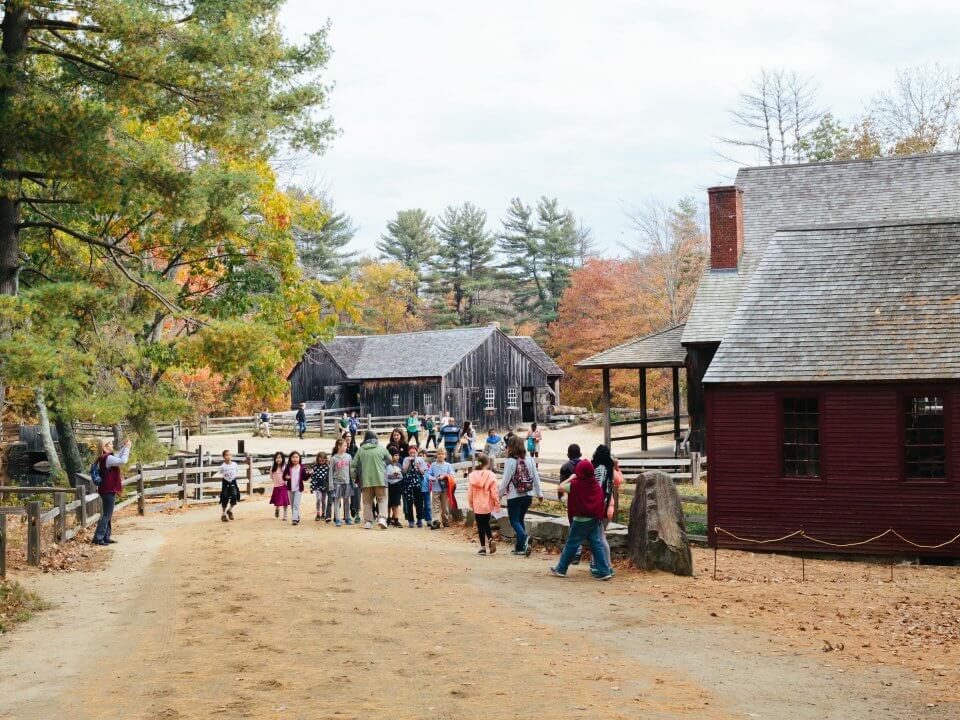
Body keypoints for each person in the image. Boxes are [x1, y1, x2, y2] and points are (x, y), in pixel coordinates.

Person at [550, 459, 613, 580]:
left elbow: (560, 488)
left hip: (580, 520)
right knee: (596, 544)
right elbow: (600, 501)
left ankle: (561, 569)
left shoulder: (575, 484)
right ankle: (605, 571)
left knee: (571, 544)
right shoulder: (595, 484)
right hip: (594, 519)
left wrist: (571, 478)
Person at [498, 435, 543, 556]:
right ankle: (520, 547)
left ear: (511, 447)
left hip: (515, 495)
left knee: (514, 521)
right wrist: (539, 493)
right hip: (528, 495)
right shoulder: (529, 459)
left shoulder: (510, 461)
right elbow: (536, 477)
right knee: (520, 519)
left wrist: (499, 495)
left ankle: (524, 537)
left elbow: (505, 480)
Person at [92, 437, 131, 545]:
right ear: (105, 446)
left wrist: (125, 446)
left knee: (108, 514)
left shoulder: (105, 457)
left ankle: (106, 537)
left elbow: (118, 456)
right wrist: (127, 448)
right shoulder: (107, 458)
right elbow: (123, 460)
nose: (113, 445)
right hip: (108, 489)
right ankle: (98, 538)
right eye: (111, 444)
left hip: (106, 488)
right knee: (107, 515)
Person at [351, 430, 391, 529]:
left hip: (365, 480)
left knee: (367, 502)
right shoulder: (381, 448)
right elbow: (390, 459)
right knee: (382, 499)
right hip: (380, 479)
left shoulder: (361, 450)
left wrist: (353, 479)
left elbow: (353, 465)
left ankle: (368, 522)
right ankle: (382, 519)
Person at [590, 444, 615, 574]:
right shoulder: (610, 469)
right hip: (606, 506)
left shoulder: (599, 469)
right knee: (598, 537)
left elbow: (598, 488)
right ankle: (596, 564)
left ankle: (607, 566)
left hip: (599, 507)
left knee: (599, 537)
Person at [467, 453, 499, 555]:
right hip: (487, 505)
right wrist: (496, 503)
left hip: (477, 505)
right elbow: (494, 492)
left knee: (480, 526)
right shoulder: (491, 475)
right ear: (488, 463)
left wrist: (471, 503)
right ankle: (490, 539)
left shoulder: (472, 476)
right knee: (486, 523)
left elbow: (470, 492)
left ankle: (483, 547)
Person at [558, 443, 584, 563]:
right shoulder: (586, 465)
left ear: (568, 455)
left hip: (572, 498)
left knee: (573, 524)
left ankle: (576, 551)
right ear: (580, 454)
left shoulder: (565, 467)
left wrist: (560, 497)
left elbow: (562, 484)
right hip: (586, 497)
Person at [426, 447, 455, 529]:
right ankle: (436, 521)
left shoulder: (448, 465)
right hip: (435, 488)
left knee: (445, 506)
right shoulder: (433, 465)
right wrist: (431, 478)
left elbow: (452, 475)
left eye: (442, 454)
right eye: (439, 454)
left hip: (445, 489)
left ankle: (445, 520)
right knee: (436, 505)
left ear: (445, 455)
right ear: (436, 455)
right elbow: (428, 474)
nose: (441, 455)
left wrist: (445, 476)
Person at [400, 444, 428, 528]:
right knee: (409, 502)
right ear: (408, 452)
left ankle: (419, 520)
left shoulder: (420, 460)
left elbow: (424, 472)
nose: (412, 454)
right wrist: (409, 462)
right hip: (408, 483)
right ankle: (410, 520)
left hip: (417, 483)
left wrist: (418, 466)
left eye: (414, 452)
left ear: (417, 452)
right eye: (411, 452)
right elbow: (403, 471)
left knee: (419, 502)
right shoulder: (406, 459)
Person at [330, 439, 353, 526]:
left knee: (347, 501)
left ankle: (347, 517)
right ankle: (338, 519)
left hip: (346, 482)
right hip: (337, 483)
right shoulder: (333, 458)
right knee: (337, 501)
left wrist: (352, 481)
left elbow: (351, 470)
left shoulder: (348, 457)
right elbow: (330, 473)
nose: (346, 447)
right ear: (338, 446)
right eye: (344, 445)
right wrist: (331, 485)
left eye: (346, 446)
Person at [283, 451, 307, 526]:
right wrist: (286, 477)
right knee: (293, 505)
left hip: (299, 489)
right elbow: (283, 477)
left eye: (296, 457)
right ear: (290, 458)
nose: (295, 459)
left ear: (299, 458)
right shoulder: (288, 467)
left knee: (296, 504)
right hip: (290, 488)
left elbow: (304, 478)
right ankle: (297, 517)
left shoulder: (302, 467)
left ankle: (294, 519)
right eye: (293, 457)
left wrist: (309, 474)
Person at [218, 449, 241, 522]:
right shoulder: (222, 466)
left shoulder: (235, 464)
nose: (228, 456)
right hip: (225, 482)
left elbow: (236, 471)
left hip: (233, 482)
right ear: (224, 457)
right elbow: (221, 473)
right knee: (224, 497)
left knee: (234, 495)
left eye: (230, 455)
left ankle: (230, 510)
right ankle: (223, 514)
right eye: (227, 455)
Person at [310, 451, 331, 522]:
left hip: (325, 487)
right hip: (317, 487)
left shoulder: (327, 467)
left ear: (325, 459)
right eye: (320, 460)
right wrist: (312, 487)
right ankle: (318, 514)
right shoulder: (315, 467)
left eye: (323, 460)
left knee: (323, 501)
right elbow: (313, 478)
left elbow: (329, 478)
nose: (321, 462)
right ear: (318, 459)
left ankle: (323, 514)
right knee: (318, 499)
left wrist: (329, 487)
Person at [385, 452, 404, 527]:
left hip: (397, 485)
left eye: (398, 455)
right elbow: (385, 475)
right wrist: (391, 475)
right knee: (388, 503)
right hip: (389, 485)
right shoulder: (386, 465)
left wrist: (398, 475)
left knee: (396, 503)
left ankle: (396, 519)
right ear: (391, 456)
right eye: (395, 455)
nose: (397, 457)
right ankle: (388, 518)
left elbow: (401, 476)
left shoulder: (399, 465)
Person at [269, 451, 289, 520]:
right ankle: (277, 509)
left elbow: (287, 476)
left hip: (283, 486)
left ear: (282, 458)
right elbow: (271, 476)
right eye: (277, 458)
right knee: (278, 502)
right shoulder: (273, 468)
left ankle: (285, 515)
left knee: (285, 501)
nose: (278, 459)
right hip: (276, 487)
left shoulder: (284, 467)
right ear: (275, 459)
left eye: (280, 457)